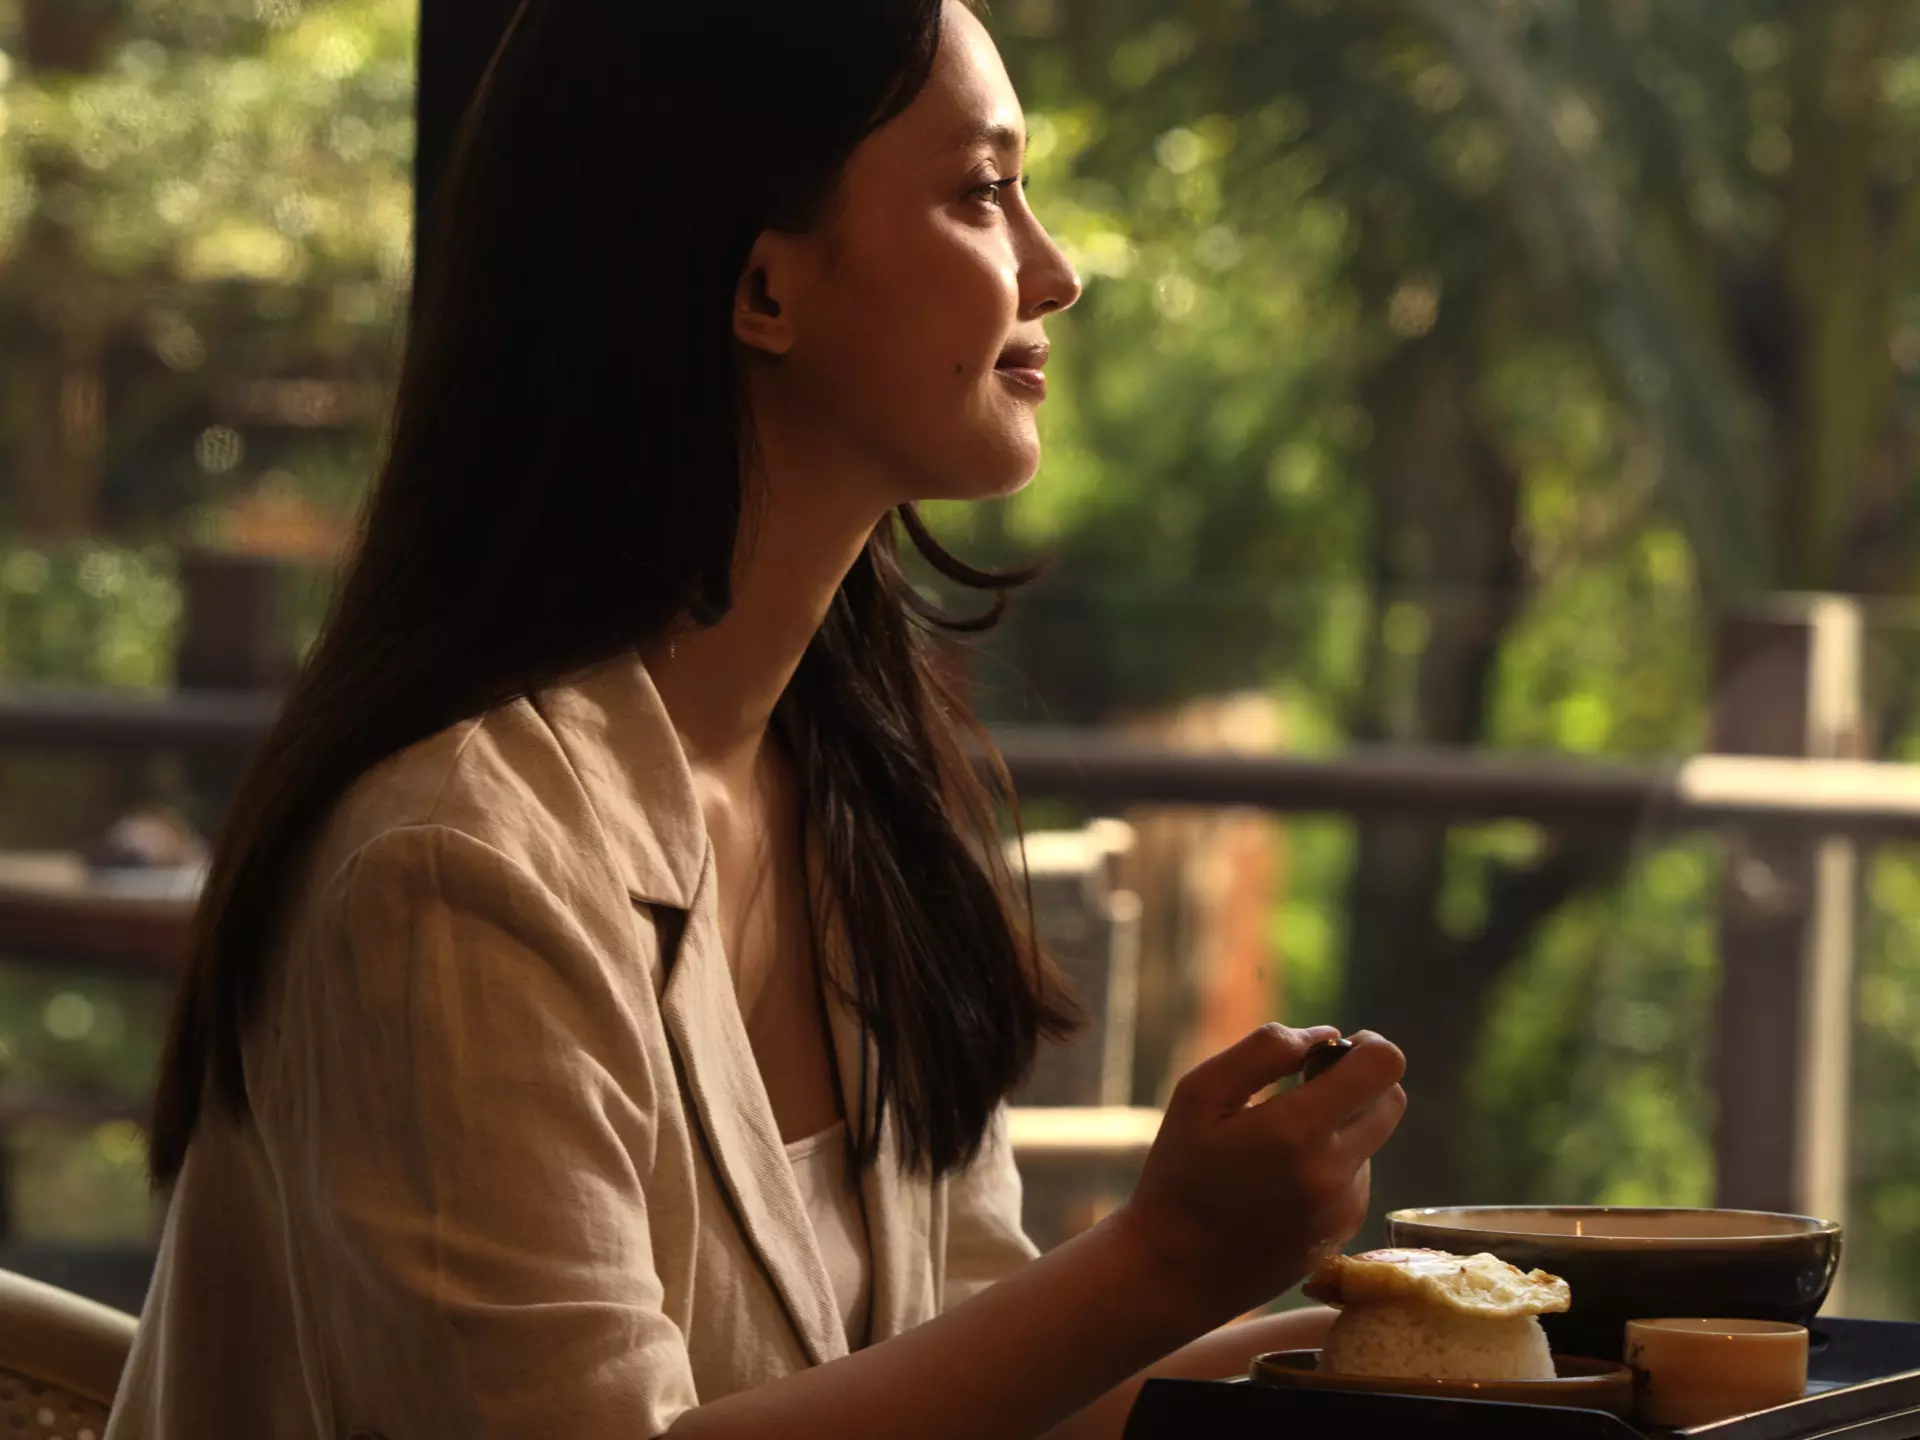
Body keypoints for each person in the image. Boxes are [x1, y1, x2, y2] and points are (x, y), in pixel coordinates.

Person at [105, 2, 1407, 1436]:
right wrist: (1161, 1260)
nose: (1056, 269)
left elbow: (991, 1386)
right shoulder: (453, 867)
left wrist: (1459, 1332)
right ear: (764, 288)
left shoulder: (852, 792)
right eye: (980, 190)